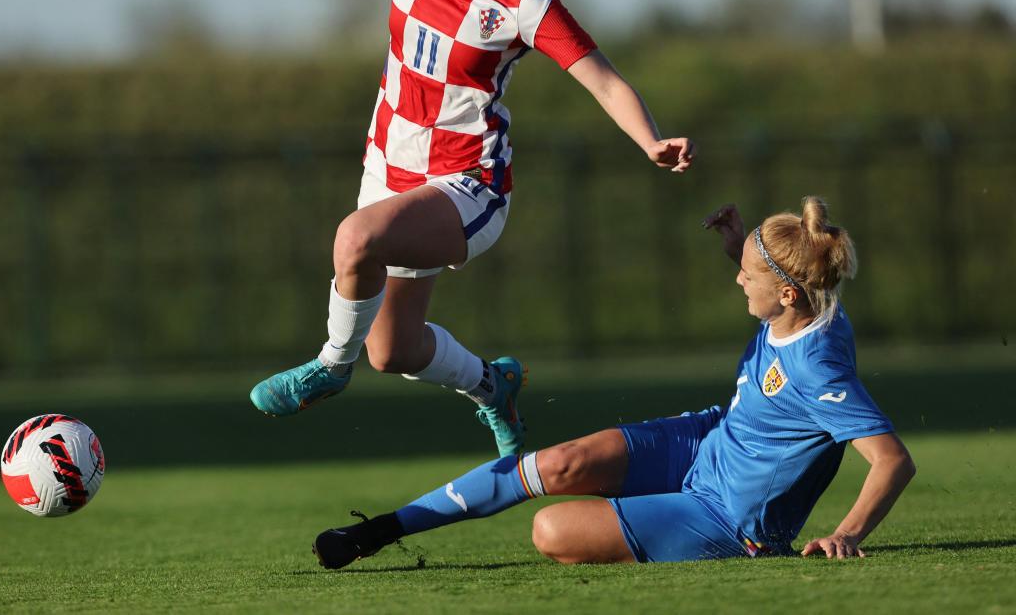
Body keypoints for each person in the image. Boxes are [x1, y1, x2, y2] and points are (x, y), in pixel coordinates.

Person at [206, 0, 694, 456]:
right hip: (390, 169)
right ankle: (496, 387)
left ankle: (328, 366)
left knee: (355, 241)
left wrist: (649, 139)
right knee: (393, 350)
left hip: (467, 183)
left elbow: (601, 79)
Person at [312, 197, 916, 567]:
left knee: (550, 530)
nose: (738, 280)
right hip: (712, 442)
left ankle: (658, 520)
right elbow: (769, 284)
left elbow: (891, 460)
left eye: (748, 274)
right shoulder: (805, 305)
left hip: (730, 516)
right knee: (567, 461)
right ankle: (385, 529)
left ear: (786, 293)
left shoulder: (818, 365)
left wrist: (845, 534)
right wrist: (740, 246)